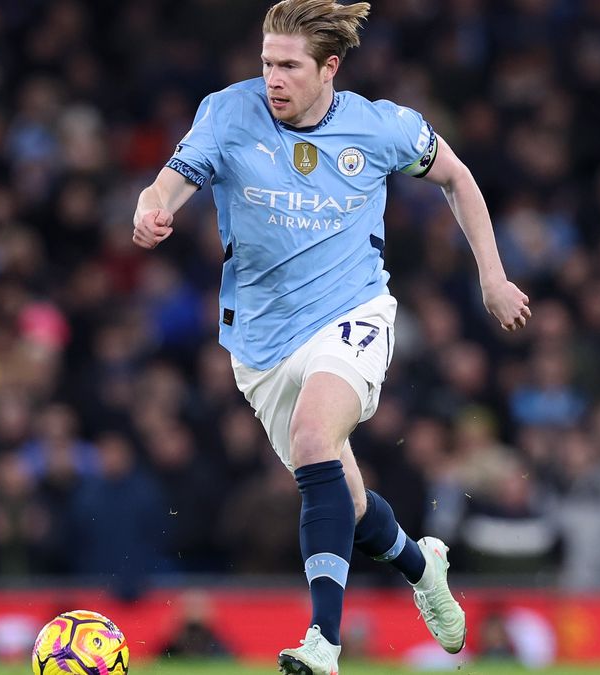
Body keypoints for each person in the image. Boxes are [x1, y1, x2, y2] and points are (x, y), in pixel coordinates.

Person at [132, 1, 531, 673]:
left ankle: (323, 640)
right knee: (342, 498)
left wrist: (493, 275)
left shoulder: (380, 128)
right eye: (266, 63)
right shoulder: (229, 113)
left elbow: (458, 177)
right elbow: (175, 179)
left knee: (317, 439)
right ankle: (420, 563)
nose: (273, 80)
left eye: (289, 66)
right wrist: (151, 207)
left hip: (354, 315)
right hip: (260, 346)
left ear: (329, 68)